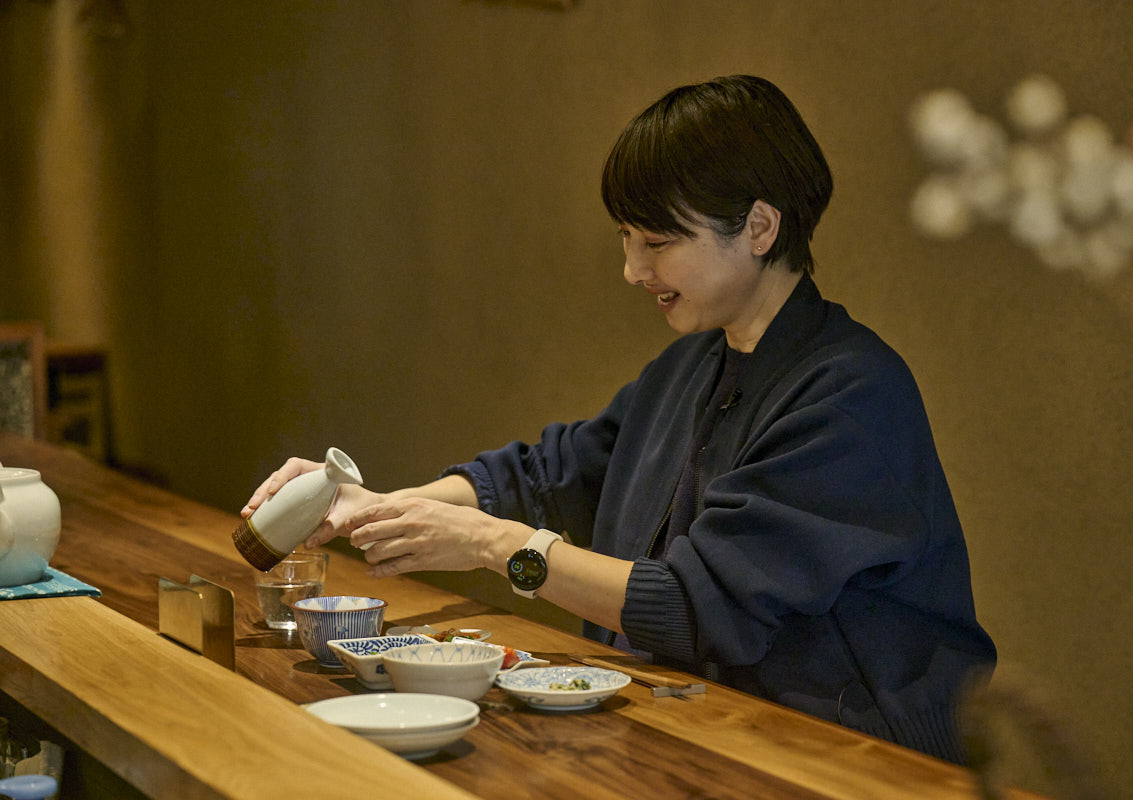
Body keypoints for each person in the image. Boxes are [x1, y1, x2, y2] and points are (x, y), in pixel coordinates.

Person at [242, 75, 996, 764]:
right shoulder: (690, 368)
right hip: (700, 734)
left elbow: (694, 608)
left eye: (658, 242)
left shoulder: (849, 394)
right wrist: (370, 508)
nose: (633, 271)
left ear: (760, 227)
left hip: (844, 762)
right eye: (625, 240)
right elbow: (545, 476)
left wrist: (489, 545)